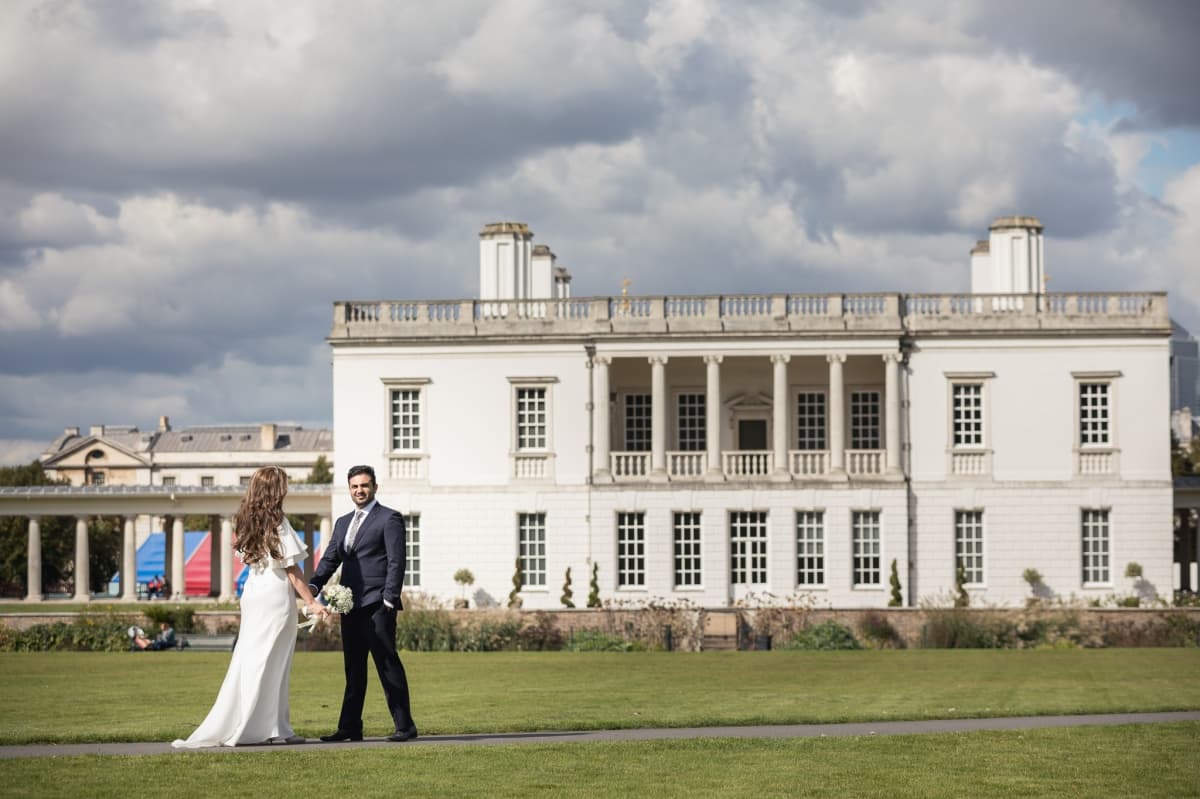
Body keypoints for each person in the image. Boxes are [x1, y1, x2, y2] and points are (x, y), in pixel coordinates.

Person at [172, 466, 327, 748]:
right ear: (275, 489)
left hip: (254, 591)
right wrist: (312, 602)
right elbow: (292, 570)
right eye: (283, 484)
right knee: (274, 663)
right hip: (274, 594)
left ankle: (275, 726)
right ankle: (261, 728)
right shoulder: (277, 522)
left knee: (251, 659)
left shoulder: (245, 519)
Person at [310, 464, 417, 743]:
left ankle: (405, 726)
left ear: (374, 487)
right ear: (349, 489)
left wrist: (389, 600)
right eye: (355, 486)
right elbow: (330, 559)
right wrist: (313, 586)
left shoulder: (389, 518)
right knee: (353, 668)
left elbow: (396, 562)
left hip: (378, 605)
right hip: (349, 606)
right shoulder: (342, 522)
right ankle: (349, 727)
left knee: (387, 664)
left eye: (365, 485)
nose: (360, 490)